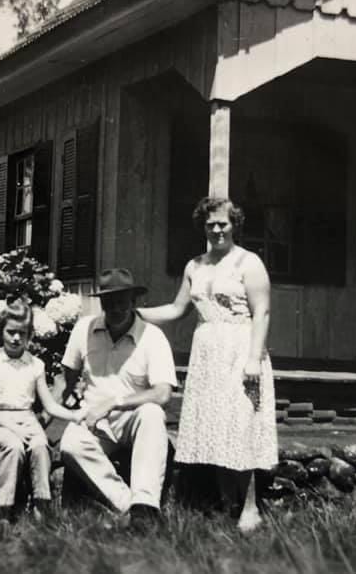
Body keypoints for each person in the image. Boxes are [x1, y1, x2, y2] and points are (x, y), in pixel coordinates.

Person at [139, 197, 278, 533]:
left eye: (223, 224)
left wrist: (253, 359)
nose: (217, 230)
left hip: (241, 351)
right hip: (207, 355)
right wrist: (133, 314)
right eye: (210, 224)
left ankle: (248, 507)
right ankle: (227, 502)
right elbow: (176, 309)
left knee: (240, 426)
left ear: (235, 225)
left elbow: (262, 312)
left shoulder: (249, 262)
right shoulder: (195, 266)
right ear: (203, 227)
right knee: (216, 429)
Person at [59, 268, 178, 531]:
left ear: (134, 302)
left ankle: (146, 501)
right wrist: (66, 396)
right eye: (109, 302)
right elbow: (68, 373)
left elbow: (163, 393)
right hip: (95, 422)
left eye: (121, 301)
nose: (115, 308)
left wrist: (114, 402)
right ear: (101, 302)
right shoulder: (84, 329)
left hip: (132, 418)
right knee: (69, 443)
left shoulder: (152, 337)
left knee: (152, 413)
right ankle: (134, 508)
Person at [0, 298, 84, 524]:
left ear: (30, 336)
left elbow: (50, 405)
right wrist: (14, 429)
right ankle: (5, 510)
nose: (16, 338)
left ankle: (41, 506)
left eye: (22, 333)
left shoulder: (36, 365)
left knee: (39, 445)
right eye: (11, 332)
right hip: (1, 421)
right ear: (1, 332)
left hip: (28, 419)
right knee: (14, 446)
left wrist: (74, 415)